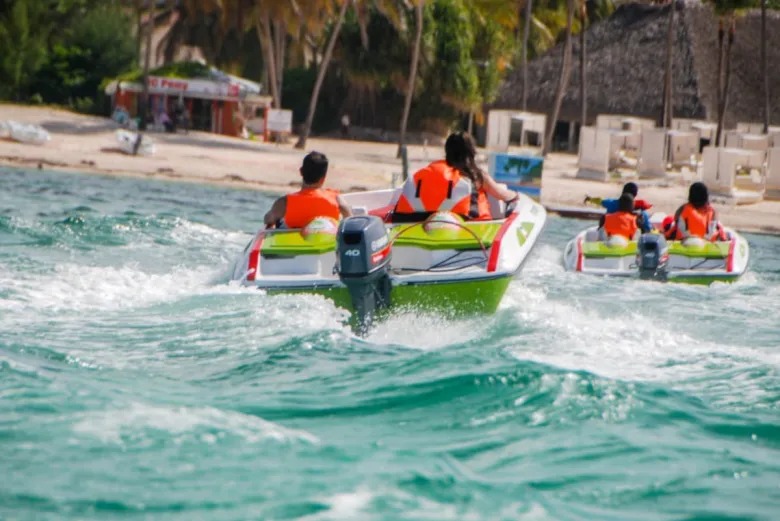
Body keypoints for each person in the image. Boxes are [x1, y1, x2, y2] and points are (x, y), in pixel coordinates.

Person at [392, 131, 519, 222]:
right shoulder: (475, 175)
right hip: (471, 231)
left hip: (411, 225)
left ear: (447, 151)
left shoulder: (427, 172)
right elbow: (504, 195)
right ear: (470, 152)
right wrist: (516, 196)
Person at [263, 152, 352, 229]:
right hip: (325, 240)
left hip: (293, 241)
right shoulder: (335, 198)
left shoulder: (285, 202)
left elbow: (268, 219)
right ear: (323, 178)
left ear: (301, 171)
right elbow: (348, 215)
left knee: (279, 222)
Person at [585, 182, 652, 233]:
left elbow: (600, 201)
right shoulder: (641, 214)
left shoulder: (610, 204)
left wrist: (590, 199)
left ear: (622, 191)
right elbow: (647, 230)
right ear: (636, 194)